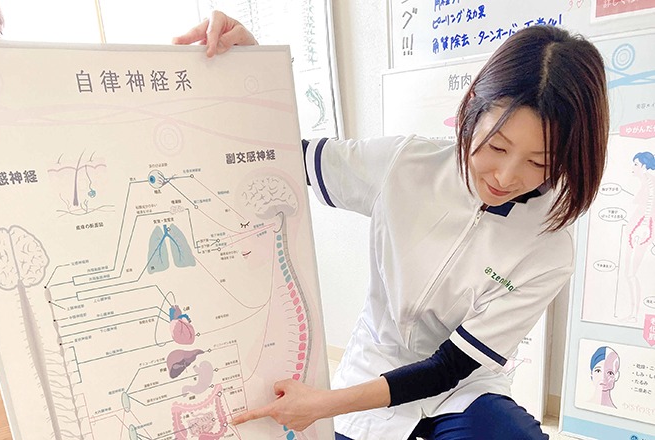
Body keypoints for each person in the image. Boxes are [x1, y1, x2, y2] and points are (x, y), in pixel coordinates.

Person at [175, 11, 609, 440]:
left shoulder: (550, 248)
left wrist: (322, 404)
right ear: (474, 106)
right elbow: (292, 156)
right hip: (373, 365)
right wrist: (251, 66)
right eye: (496, 146)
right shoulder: (407, 165)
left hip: (462, 390)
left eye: (539, 163)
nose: (505, 177)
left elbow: (450, 367)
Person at [619, 151, 655, 322]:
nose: (633, 167)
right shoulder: (645, 182)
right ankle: (633, 313)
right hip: (636, 228)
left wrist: (643, 228)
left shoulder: (650, 183)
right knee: (629, 272)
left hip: (641, 230)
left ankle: (634, 314)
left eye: (636, 164)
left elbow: (650, 207)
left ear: (644, 166)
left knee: (631, 273)